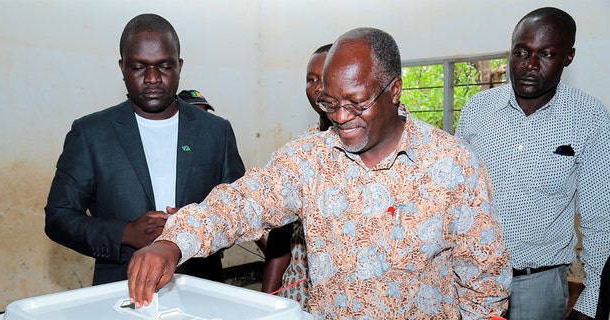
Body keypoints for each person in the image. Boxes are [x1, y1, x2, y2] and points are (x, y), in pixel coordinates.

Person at [128, 27, 511, 319]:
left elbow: (483, 278)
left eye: (356, 104)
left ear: (394, 90)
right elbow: (243, 202)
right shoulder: (309, 160)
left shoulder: (452, 165)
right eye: (330, 102)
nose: (341, 118)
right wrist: (174, 242)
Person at [44, 13, 245, 285]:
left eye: (164, 66)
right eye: (139, 67)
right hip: (119, 290)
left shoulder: (215, 131)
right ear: (122, 67)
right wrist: (125, 232)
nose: (152, 78)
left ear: (179, 66)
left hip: (200, 285)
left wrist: (196, 227)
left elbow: (240, 212)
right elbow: (59, 218)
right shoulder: (91, 133)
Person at [455, 7, 610, 320]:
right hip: (469, 280)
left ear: (568, 57)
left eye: (547, 54)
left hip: (539, 287)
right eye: (521, 52)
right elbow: (453, 195)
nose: (529, 65)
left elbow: (599, 218)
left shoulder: (589, 117)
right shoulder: (478, 109)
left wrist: (591, 301)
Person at [261, 43, 332, 310]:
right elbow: (281, 232)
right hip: (297, 293)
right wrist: (267, 297)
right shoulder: (299, 150)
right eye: (310, 79)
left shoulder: (368, 150)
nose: (317, 88)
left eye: (325, 78)